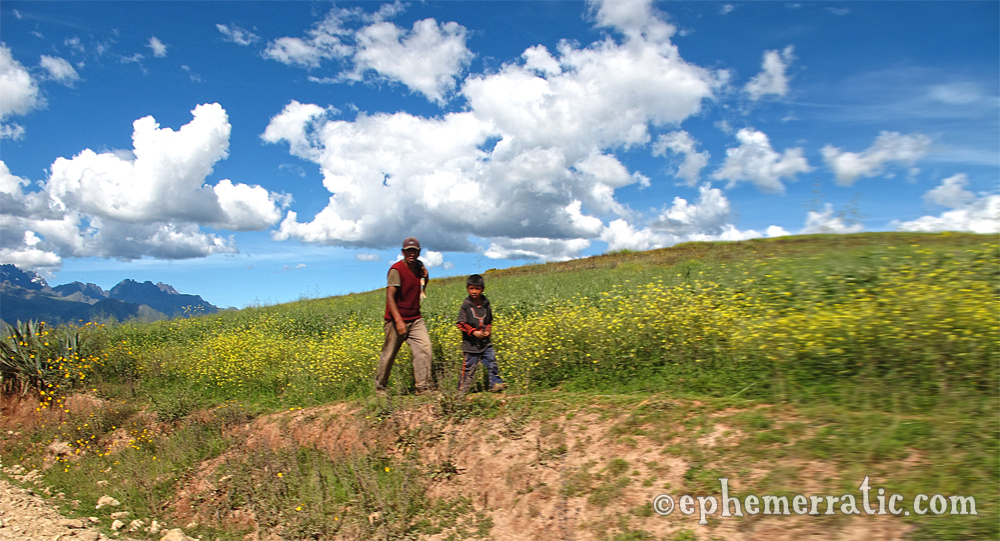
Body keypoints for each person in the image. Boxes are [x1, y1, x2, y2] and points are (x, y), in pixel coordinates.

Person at [374, 237, 434, 395]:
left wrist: (426, 277)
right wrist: (398, 321)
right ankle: (380, 389)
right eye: (408, 251)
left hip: (415, 319)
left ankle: (423, 387)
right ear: (403, 252)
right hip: (396, 319)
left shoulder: (419, 267)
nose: (412, 254)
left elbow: (421, 285)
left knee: (425, 348)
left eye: (414, 251)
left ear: (419, 252)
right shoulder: (396, 270)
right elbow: (390, 297)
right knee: (389, 354)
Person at [456, 274, 507, 394]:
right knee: (468, 367)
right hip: (471, 345)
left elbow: (488, 321)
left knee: (491, 362)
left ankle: (495, 383)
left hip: (485, 343)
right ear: (467, 289)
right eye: (471, 288)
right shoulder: (466, 305)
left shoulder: (486, 304)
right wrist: (473, 332)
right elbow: (461, 323)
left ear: (482, 289)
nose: (474, 291)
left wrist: (488, 331)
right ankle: (462, 390)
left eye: (477, 289)